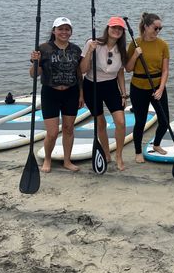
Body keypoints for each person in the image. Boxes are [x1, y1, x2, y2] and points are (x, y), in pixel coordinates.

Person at [30, 17, 83, 173]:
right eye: (60, 29)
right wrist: (35, 62)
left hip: (71, 92)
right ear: (54, 31)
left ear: (71, 32)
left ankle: (67, 160)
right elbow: (34, 75)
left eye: (67, 29)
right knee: (52, 133)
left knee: (68, 129)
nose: (64, 32)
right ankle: (47, 159)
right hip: (50, 93)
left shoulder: (75, 50)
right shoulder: (43, 48)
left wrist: (81, 94)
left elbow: (79, 73)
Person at [80, 17, 129, 171]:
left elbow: (120, 72)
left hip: (111, 87)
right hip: (91, 85)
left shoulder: (121, 50)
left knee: (120, 122)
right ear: (108, 28)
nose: (116, 30)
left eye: (120, 29)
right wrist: (90, 51)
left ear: (122, 33)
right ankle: (106, 153)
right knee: (100, 123)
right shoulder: (92, 43)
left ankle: (119, 155)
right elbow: (82, 69)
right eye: (114, 27)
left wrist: (123, 93)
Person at [125, 12, 170, 163]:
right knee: (140, 121)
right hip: (138, 88)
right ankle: (138, 151)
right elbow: (128, 69)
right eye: (155, 28)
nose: (157, 31)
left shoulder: (163, 45)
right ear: (146, 27)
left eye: (160, 29)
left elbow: (165, 70)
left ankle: (156, 144)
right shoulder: (135, 43)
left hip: (157, 87)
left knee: (164, 121)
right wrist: (135, 55)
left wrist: (161, 88)